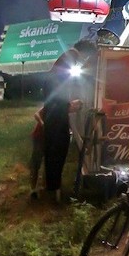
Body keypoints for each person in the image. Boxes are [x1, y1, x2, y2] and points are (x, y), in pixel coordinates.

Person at [42, 40, 95, 203]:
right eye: (88, 57)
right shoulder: (70, 57)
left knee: (53, 154)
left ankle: (52, 189)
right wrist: (69, 105)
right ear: (84, 53)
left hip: (53, 116)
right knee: (57, 153)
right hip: (57, 118)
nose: (85, 61)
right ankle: (54, 194)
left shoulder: (66, 58)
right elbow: (55, 87)